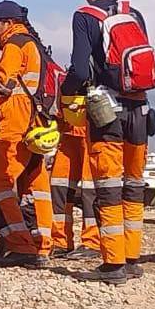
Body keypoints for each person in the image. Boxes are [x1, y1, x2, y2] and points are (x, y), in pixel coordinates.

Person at [62, 0, 152, 286]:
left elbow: (81, 70)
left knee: (109, 187)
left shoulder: (84, 17)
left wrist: (68, 91)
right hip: (140, 109)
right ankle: (132, 258)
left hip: (106, 111)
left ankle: (113, 265)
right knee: (133, 185)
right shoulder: (134, 14)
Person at [0, 0, 55, 269]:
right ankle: (44, 245)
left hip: (14, 120)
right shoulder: (32, 43)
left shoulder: (14, 44)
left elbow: (4, 84)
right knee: (36, 184)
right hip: (33, 122)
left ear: (8, 23)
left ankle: (20, 245)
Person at [50, 106, 100, 259]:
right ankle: (60, 241)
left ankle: (93, 242)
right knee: (59, 185)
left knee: (89, 188)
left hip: (91, 128)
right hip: (68, 128)